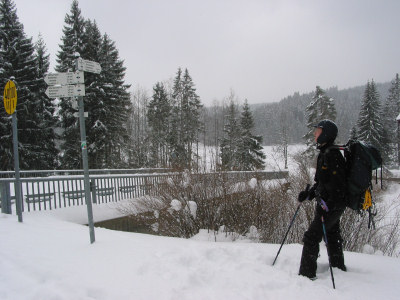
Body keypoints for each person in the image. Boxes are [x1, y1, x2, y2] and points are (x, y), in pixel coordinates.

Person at [297, 119, 347, 280]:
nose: (314, 134)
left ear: (325, 134)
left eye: (317, 131)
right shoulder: (325, 153)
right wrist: (309, 194)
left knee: (312, 237)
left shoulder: (332, 155)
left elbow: (338, 185)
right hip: (329, 204)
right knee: (332, 234)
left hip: (330, 206)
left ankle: (306, 274)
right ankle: (338, 266)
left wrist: (328, 205)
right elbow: (322, 182)